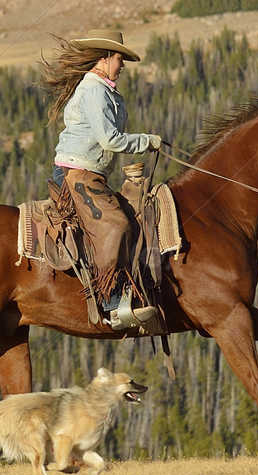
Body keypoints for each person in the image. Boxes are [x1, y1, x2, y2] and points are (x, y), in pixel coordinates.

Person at [42, 29, 166, 321]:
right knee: (115, 224)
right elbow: (110, 139)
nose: (122, 65)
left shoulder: (105, 90)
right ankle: (110, 300)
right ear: (104, 58)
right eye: (119, 59)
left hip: (91, 173)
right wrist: (146, 141)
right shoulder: (95, 90)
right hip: (77, 174)